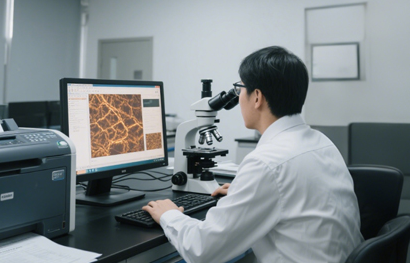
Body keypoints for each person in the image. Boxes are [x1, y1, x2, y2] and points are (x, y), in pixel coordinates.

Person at [143, 46, 363, 263]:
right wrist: (245, 193)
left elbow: (202, 250)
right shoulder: (323, 143)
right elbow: (297, 196)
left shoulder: (267, 163)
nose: (238, 97)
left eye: (240, 89)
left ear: (257, 97)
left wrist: (169, 214)